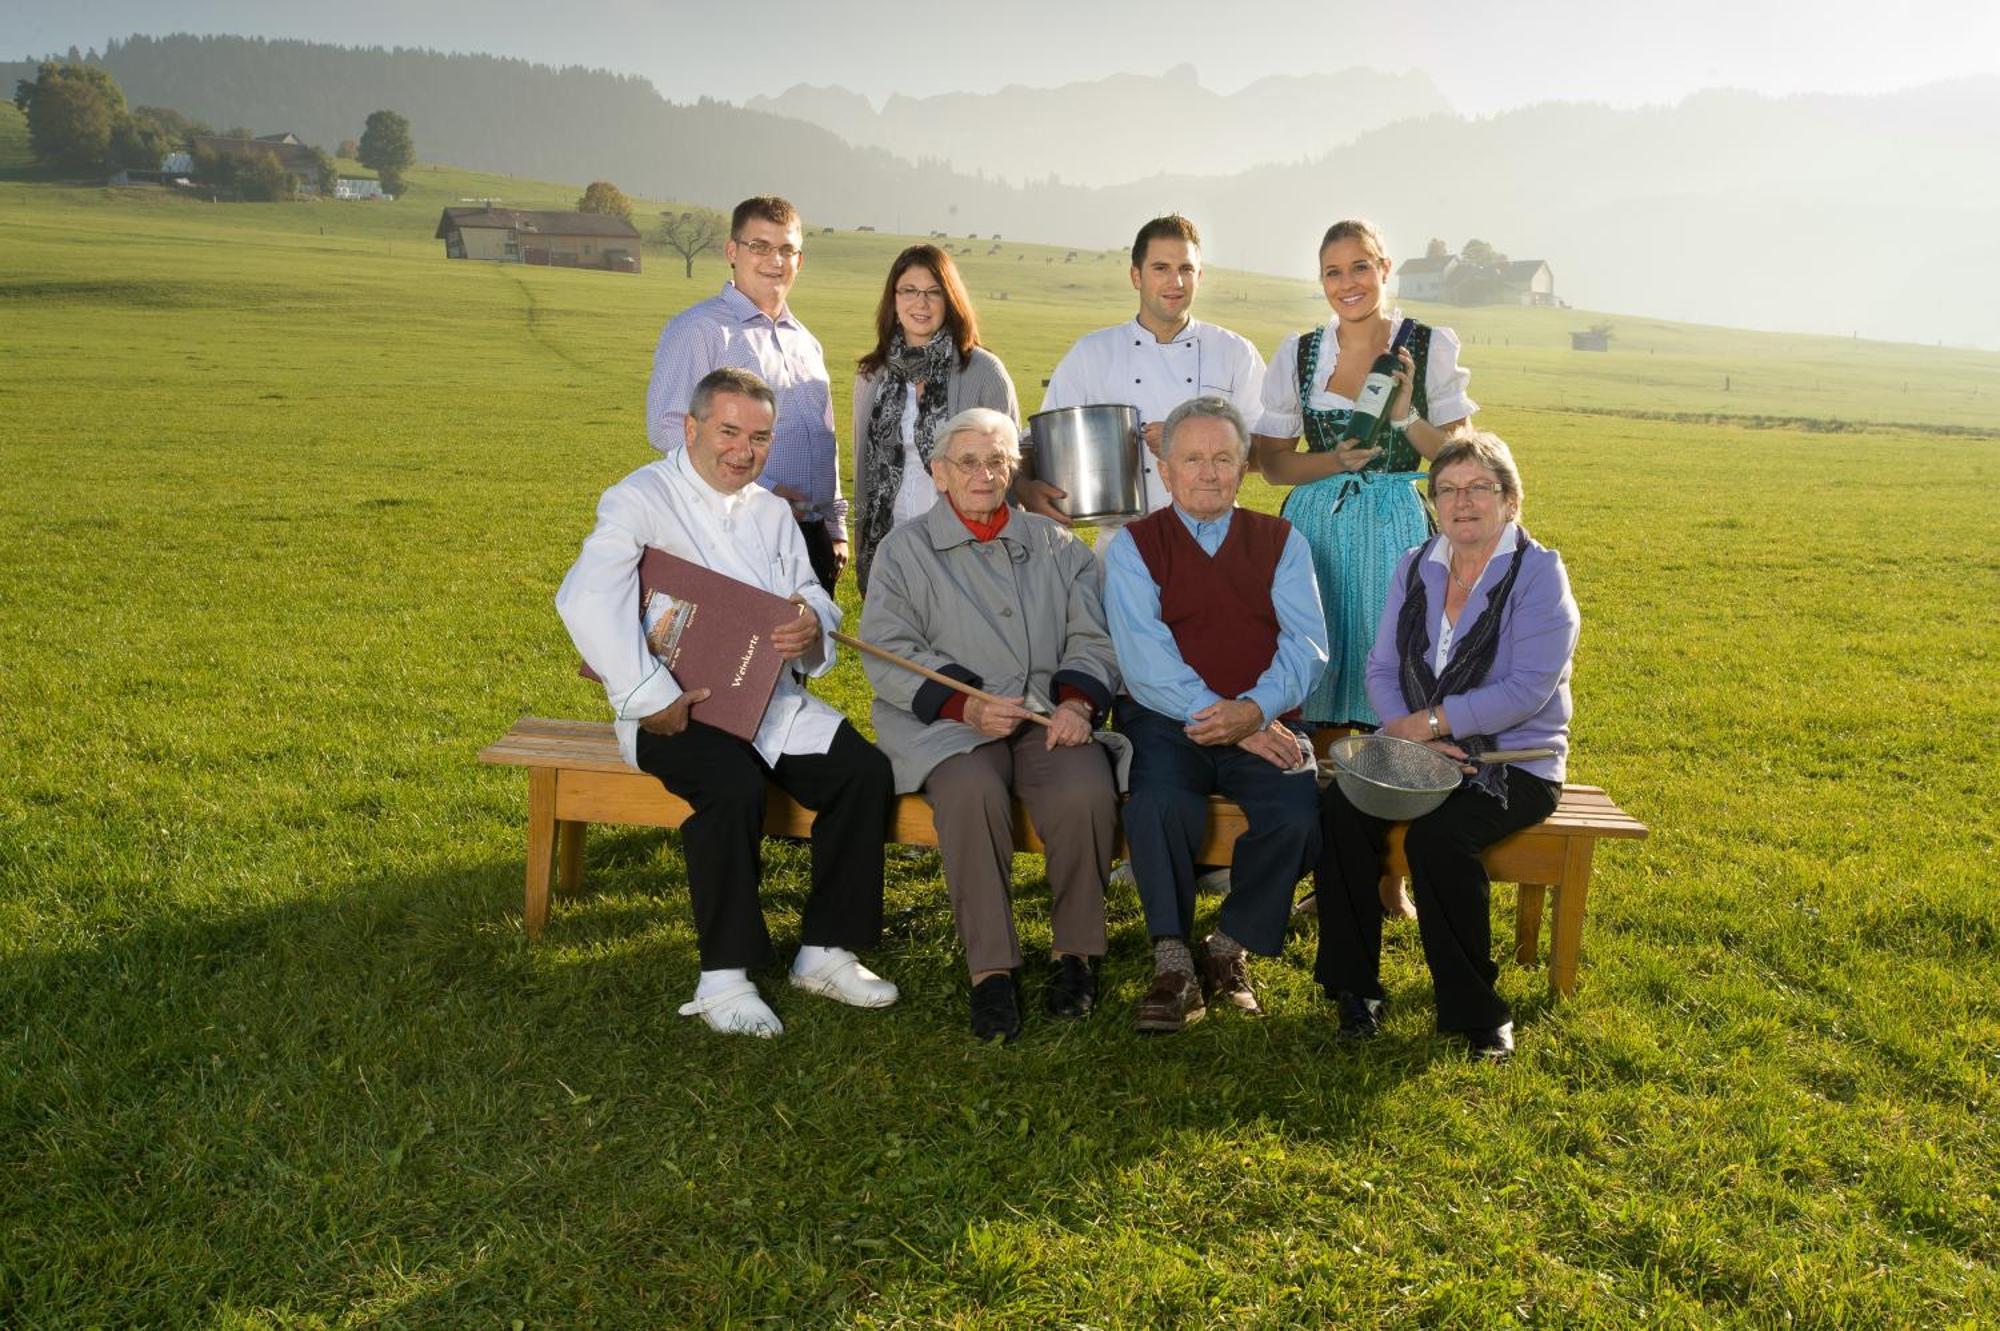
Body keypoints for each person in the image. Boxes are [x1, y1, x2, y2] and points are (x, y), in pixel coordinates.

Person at [559, 367, 899, 1039]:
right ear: (691, 428)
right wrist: (649, 696)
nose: (744, 450)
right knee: (731, 784)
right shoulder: (640, 497)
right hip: (671, 707)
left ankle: (826, 951)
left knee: (865, 773)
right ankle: (724, 978)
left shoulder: (772, 511)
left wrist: (809, 620)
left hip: (766, 703)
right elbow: (586, 595)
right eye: (729, 431)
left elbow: (811, 594)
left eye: (761, 437)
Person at [1313, 433, 1579, 1062]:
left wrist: (1432, 726)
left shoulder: (1539, 574)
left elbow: (1527, 691)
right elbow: (1381, 668)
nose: (1463, 503)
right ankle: (1355, 990)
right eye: (1448, 490)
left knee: (1441, 838)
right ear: (1435, 502)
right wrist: (1412, 733)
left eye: (1479, 488)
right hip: (1417, 747)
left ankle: (1474, 1011)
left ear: (1510, 501)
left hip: (1512, 763)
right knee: (1339, 814)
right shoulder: (1415, 563)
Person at [859, 408, 1120, 1042]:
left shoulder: (1059, 547)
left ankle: (1075, 954)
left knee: (1084, 789)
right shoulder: (904, 550)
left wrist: (1077, 704)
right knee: (970, 792)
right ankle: (992, 970)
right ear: (939, 472)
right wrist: (967, 705)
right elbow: (886, 648)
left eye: (998, 460)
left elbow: (1094, 637)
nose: (984, 474)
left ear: (1014, 468)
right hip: (950, 723)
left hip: (1046, 715)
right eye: (968, 461)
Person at [1103, 397, 1328, 1033]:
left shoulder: (1282, 541)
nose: (1208, 472)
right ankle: (1171, 959)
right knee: (1158, 805)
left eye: (1223, 458)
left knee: (1298, 816)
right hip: (1164, 718)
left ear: (1243, 467)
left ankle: (1226, 947)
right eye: (1193, 459)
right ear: (1165, 471)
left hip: (1266, 716)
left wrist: (1255, 713)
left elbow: (1307, 645)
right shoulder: (1134, 546)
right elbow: (1145, 661)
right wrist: (1223, 718)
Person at [1251, 219, 1478, 732]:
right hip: (1316, 526)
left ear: (1384, 269)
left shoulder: (1427, 345)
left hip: (1395, 525)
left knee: (1393, 654)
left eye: (1360, 267)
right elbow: (1273, 465)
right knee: (1312, 647)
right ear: (1322, 280)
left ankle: (1391, 768)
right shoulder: (1300, 352)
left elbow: (1460, 460)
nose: (1347, 283)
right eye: (1333, 273)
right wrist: (1334, 461)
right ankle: (1311, 765)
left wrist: (1404, 415)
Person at [644, 196, 848, 593]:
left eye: (787, 249)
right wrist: (762, 492)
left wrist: (836, 526)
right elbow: (666, 428)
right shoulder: (699, 329)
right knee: (743, 652)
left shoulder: (806, 342)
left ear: (800, 261)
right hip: (738, 532)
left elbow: (825, 438)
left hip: (811, 537)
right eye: (760, 246)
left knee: (807, 651)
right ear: (732, 252)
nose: (775, 260)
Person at [1024, 215, 1266, 524]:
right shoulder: (1091, 353)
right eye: (1161, 268)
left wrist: (1180, 441)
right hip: (1121, 540)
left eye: (1186, 269)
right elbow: (1039, 444)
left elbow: (1266, 454)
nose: (1175, 282)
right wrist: (1025, 487)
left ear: (1199, 275)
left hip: (1213, 537)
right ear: (1136, 276)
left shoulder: (1235, 352)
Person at [851, 245, 1020, 595]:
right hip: (890, 544)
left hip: (963, 548)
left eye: (933, 293)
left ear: (951, 299)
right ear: (893, 300)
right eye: (909, 291)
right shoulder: (871, 376)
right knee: (894, 646)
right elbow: (862, 472)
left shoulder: (984, 372)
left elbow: (1009, 472)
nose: (921, 304)